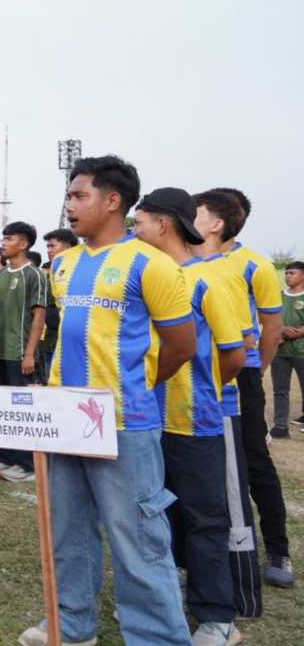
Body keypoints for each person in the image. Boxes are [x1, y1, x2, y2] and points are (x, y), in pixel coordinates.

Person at [20, 155, 196, 646]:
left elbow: (182, 345)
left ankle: (158, 638)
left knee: (139, 541)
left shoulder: (152, 264)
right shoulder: (64, 264)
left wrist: (135, 387)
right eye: (69, 197)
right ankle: (73, 627)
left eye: (79, 196)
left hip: (124, 423)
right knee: (68, 533)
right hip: (63, 422)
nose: (69, 207)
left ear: (113, 201)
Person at [134, 188, 245, 646]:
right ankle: (182, 586)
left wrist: (201, 391)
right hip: (147, 419)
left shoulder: (207, 280)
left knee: (205, 518)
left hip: (194, 420)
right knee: (162, 514)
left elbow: (234, 355)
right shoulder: (144, 274)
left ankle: (219, 617)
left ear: (163, 225)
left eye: (139, 222)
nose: (133, 231)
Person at [194, 188, 291, 595]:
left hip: (242, 375)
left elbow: (271, 329)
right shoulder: (184, 259)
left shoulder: (256, 265)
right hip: (196, 372)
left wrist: (257, 370)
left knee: (255, 461)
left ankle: (278, 551)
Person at [0, 221, 46, 482]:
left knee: (21, 410)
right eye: (3, 239)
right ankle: (5, 458)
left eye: (9, 239)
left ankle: (27, 464)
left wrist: (30, 353)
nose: (3, 244)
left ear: (24, 244)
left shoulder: (35, 275)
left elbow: (40, 315)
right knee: (1, 407)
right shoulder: (0, 275)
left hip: (19, 352)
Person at [39, 229, 79, 383]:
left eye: (52, 246)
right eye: (47, 247)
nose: (49, 251)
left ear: (68, 246)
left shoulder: (78, 270)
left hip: (74, 344)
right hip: (52, 342)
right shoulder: (52, 271)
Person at [274, 261, 304, 434]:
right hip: (280, 350)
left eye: (292, 273)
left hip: (302, 351)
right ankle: (280, 426)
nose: (287, 276)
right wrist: (282, 328)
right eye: (286, 273)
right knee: (280, 390)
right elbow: (268, 317)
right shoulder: (279, 296)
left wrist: (300, 332)